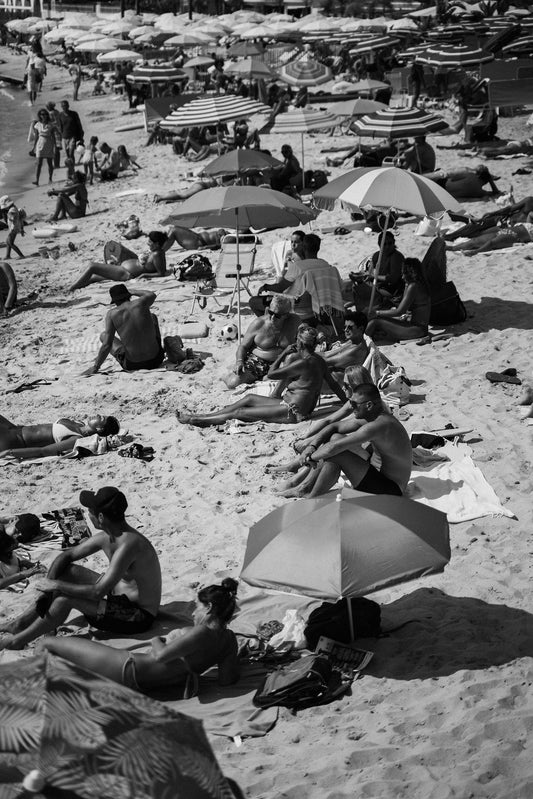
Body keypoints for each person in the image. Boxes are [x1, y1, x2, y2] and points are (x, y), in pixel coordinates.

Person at [0, 487, 162, 651]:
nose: (87, 515)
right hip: (117, 595)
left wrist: (56, 586)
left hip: (137, 616)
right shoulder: (109, 536)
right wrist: (46, 591)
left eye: (89, 511)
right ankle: (23, 623)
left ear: (100, 517)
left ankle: (17, 641)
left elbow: (97, 592)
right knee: (67, 571)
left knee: (64, 599)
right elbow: (66, 556)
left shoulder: (129, 545)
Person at [39, 577, 240, 694]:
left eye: (197, 607)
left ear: (210, 607)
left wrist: (157, 640)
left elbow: (161, 656)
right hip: (151, 687)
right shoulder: (229, 641)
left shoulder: (202, 631)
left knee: (49, 642)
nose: (194, 613)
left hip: (127, 668)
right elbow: (226, 681)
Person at [178, 324, 346, 426]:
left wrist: (283, 353)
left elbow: (272, 374)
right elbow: (334, 385)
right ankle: (207, 416)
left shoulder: (301, 363)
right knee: (249, 398)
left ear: (299, 343)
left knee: (241, 413)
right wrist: (346, 403)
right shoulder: (319, 361)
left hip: (292, 411)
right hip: (292, 405)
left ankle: (198, 420)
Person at [295, 382, 412, 497]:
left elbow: (334, 448)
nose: (351, 407)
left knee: (335, 453)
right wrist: (312, 447)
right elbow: (334, 426)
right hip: (377, 472)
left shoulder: (378, 425)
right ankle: (306, 487)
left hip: (392, 490)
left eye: (354, 404)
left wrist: (308, 458)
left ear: (369, 405)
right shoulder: (374, 416)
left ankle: (313, 498)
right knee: (334, 437)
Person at [83, 285, 164, 376]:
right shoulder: (141, 302)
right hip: (156, 359)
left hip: (133, 364)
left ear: (115, 301)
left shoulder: (112, 314)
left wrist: (96, 367)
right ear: (129, 296)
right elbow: (152, 294)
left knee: (104, 335)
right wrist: (133, 291)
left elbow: (107, 345)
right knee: (153, 317)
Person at [223, 295, 300, 389]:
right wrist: (239, 361)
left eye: (278, 316)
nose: (272, 317)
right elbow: (243, 346)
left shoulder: (294, 321)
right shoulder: (258, 324)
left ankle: (266, 378)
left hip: (282, 362)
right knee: (233, 383)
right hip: (258, 361)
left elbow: (306, 333)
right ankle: (226, 375)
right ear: (268, 310)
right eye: (271, 313)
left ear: (286, 315)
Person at [70, 231, 168, 291]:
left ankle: (72, 288)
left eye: (150, 242)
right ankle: (75, 286)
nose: (148, 243)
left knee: (92, 266)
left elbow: (161, 273)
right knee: (93, 277)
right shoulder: (155, 251)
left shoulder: (157, 254)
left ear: (157, 243)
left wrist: (144, 275)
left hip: (126, 273)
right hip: (123, 269)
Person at [0, 413, 120, 460]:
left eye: (101, 418)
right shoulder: (79, 424)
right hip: (13, 429)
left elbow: (43, 451)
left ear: (100, 429)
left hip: (14, 440)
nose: (97, 415)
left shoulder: (75, 439)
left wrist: (10, 452)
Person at [365, 258, 431, 342]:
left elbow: (400, 311)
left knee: (376, 321)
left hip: (417, 329)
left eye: (404, 274)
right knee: (378, 318)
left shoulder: (414, 286)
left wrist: (377, 312)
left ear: (410, 274)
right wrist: (406, 285)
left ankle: (360, 343)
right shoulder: (418, 284)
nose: (402, 277)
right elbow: (405, 307)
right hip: (416, 326)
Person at [351, 230, 405, 309]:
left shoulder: (396, 257)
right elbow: (369, 274)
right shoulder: (377, 255)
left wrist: (374, 276)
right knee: (355, 285)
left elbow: (393, 279)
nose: (387, 246)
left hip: (391, 290)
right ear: (379, 244)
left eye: (390, 243)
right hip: (379, 284)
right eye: (384, 244)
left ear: (394, 242)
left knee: (362, 290)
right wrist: (360, 276)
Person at [321, 311, 369, 380]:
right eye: (345, 327)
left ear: (361, 329)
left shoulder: (357, 350)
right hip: (328, 375)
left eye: (350, 327)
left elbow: (326, 361)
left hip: (334, 382)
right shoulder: (352, 341)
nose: (346, 330)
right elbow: (326, 355)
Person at [446, 222, 533, 256]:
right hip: (506, 230)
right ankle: (451, 248)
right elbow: (530, 214)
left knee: (492, 243)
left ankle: (475, 251)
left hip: (514, 235)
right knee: (474, 241)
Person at [0, 526, 42, 592]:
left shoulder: (8, 550)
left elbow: (14, 552)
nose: (11, 554)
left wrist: (23, 562)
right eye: (8, 553)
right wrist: (20, 575)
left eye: (11, 551)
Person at [423, 165, 501, 199]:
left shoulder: (468, 172)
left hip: (439, 184)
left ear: (478, 174)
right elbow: (496, 193)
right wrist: (490, 180)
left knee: (440, 172)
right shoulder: (479, 192)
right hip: (443, 195)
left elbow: (443, 175)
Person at [30, 108, 59, 186]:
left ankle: (50, 178)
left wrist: (55, 146)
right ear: (40, 115)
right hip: (40, 144)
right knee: (39, 163)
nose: (44, 116)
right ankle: (37, 180)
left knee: (50, 163)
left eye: (45, 114)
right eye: (42, 114)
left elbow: (53, 136)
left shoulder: (51, 125)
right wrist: (34, 147)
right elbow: (36, 137)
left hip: (49, 144)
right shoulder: (37, 125)